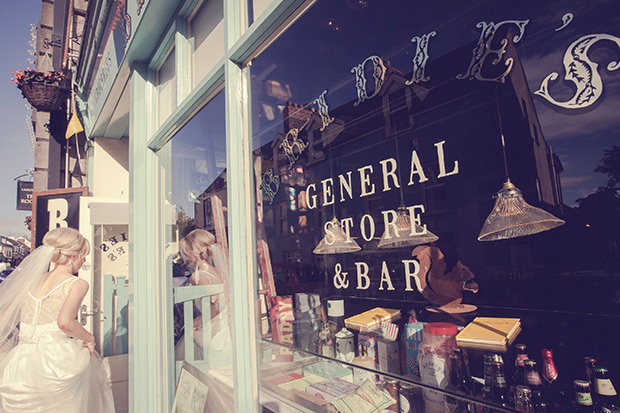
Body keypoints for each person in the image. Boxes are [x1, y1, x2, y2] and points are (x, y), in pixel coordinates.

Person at [0, 227, 114, 413]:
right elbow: (65, 322)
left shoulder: (31, 281)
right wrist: (89, 337)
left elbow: (5, 315)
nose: (84, 260)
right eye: (83, 255)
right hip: (55, 360)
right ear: (72, 256)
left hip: (21, 361)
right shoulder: (76, 283)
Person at [175, 229, 231, 370]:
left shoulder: (198, 276)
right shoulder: (215, 270)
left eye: (185, 251)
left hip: (215, 330)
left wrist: (194, 323)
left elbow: (217, 305)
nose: (183, 256)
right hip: (226, 327)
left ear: (192, 252)